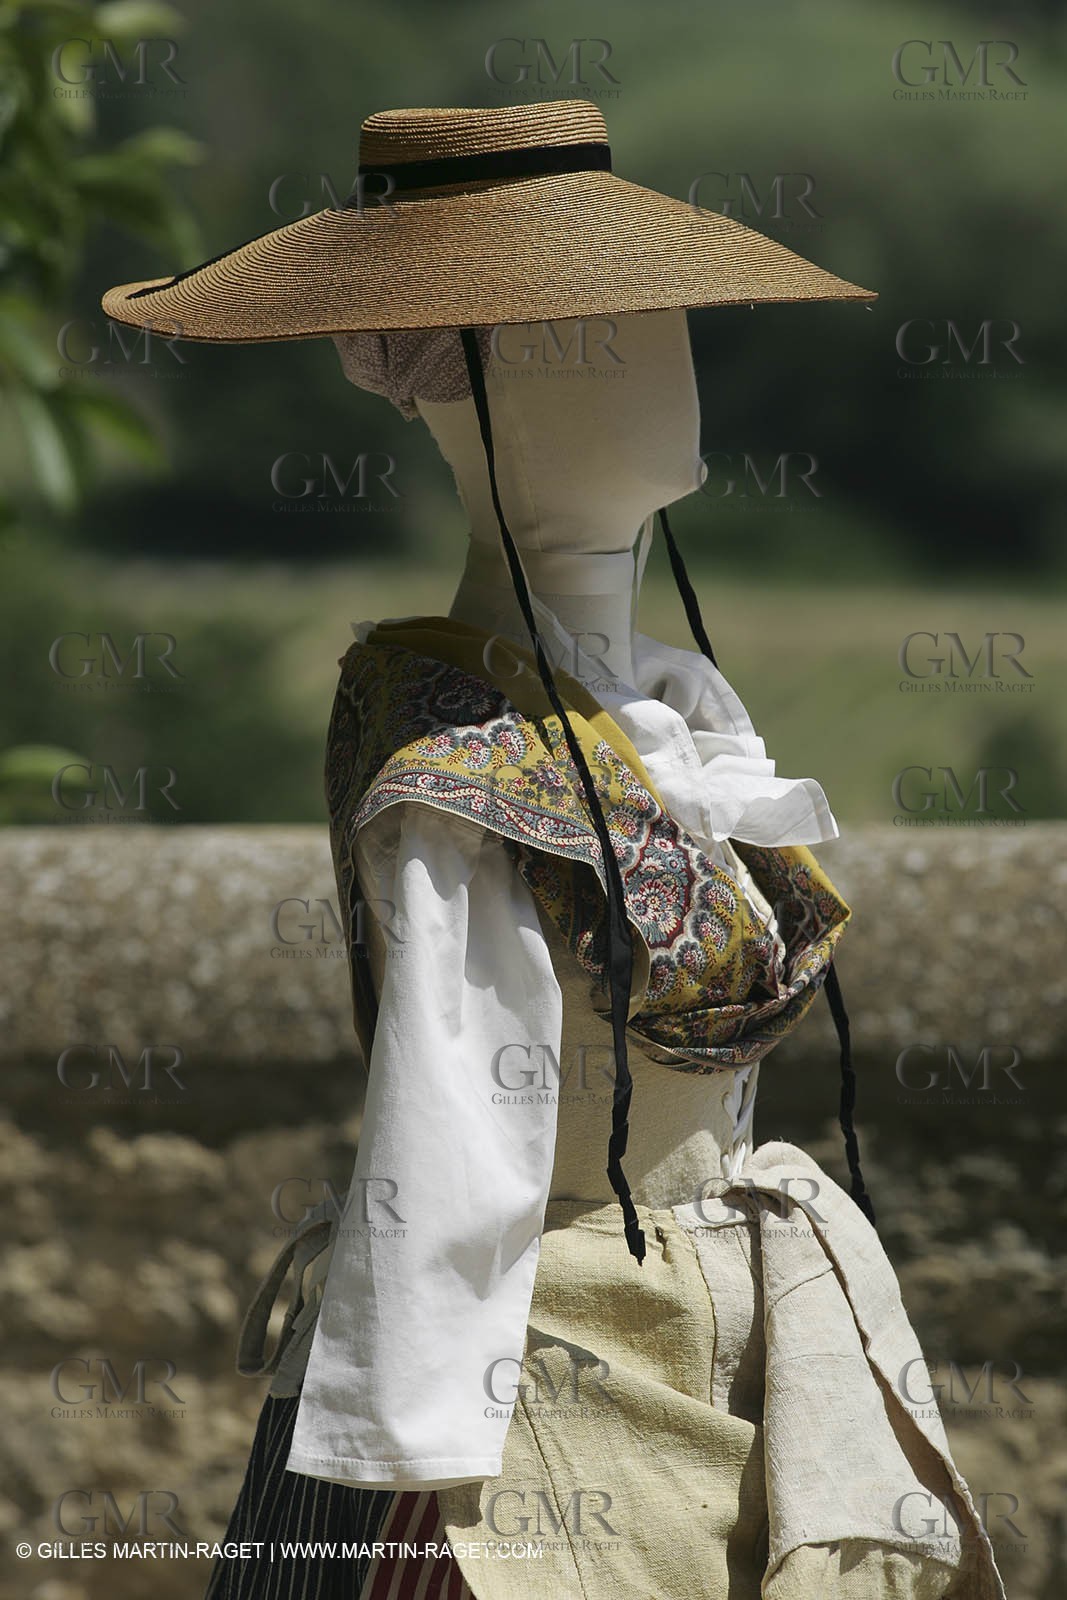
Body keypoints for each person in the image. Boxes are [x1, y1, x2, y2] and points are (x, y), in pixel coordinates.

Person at [104, 100, 1005, 1600]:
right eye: (595, 324)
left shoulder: (668, 702)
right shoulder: (448, 755)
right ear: (458, 378)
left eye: (660, 314)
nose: (662, 361)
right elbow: (444, 1147)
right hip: (539, 1372)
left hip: (751, 1323)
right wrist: (414, 1472)